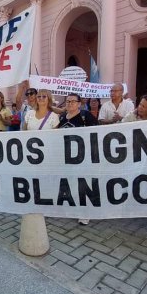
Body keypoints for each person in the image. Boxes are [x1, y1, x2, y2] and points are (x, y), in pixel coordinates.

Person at [57, 92, 99, 225]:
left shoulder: (85, 116)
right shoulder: (62, 117)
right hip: (66, 157)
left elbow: (97, 132)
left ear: (79, 103)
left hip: (83, 156)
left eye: (73, 101)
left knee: (83, 184)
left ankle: (85, 213)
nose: (69, 104)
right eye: (67, 101)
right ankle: (73, 208)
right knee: (70, 182)